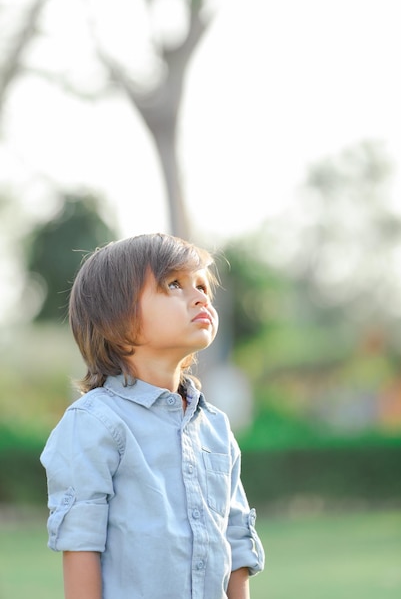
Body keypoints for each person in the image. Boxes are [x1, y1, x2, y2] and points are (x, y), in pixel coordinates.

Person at [40, 233, 264, 599]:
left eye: (202, 286)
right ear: (117, 315)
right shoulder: (94, 423)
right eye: (175, 284)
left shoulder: (217, 428)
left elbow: (236, 541)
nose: (200, 296)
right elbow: (81, 540)